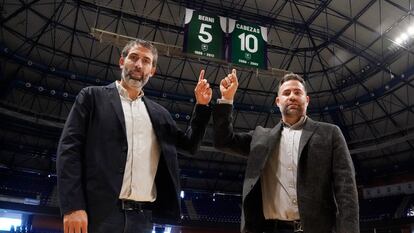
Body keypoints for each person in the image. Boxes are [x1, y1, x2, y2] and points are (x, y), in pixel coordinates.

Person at [57, 39, 212, 233]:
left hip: (142, 218)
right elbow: (69, 151)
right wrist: (72, 206)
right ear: (121, 62)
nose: (139, 65)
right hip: (98, 214)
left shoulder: (160, 114)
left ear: (152, 71)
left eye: (146, 61)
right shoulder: (92, 97)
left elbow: (190, 146)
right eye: (133, 57)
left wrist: (202, 106)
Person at [213, 70, 359, 233]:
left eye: (298, 92)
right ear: (278, 101)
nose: (292, 96)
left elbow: (346, 189)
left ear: (307, 100)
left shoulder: (330, 133)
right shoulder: (261, 137)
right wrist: (226, 100)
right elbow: (223, 142)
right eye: (286, 93)